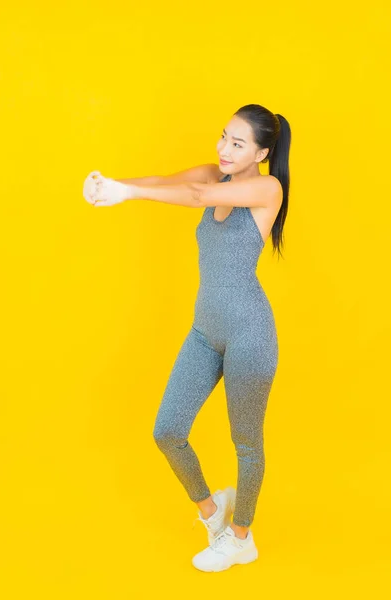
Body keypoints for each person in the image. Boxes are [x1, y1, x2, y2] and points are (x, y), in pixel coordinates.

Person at [83, 104, 291, 572]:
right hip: (205, 330)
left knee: (246, 442)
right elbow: (168, 182)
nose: (223, 149)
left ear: (262, 151)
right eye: (223, 137)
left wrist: (126, 194)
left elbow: (196, 196)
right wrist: (112, 185)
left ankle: (242, 537)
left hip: (249, 335)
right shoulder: (214, 173)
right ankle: (212, 512)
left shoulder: (265, 187)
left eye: (237, 144)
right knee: (168, 430)